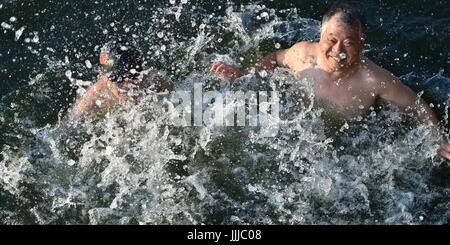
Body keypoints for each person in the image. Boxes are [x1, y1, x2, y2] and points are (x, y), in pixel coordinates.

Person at [210, 4, 450, 160]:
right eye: (332, 40)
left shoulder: (374, 79)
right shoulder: (302, 55)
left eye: (349, 42)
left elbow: (416, 106)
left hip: (341, 149)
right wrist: (243, 74)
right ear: (321, 36)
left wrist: (439, 141)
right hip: (291, 134)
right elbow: (274, 58)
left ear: (362, 43)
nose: (338, 50)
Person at [73, 41, 174, 117]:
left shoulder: (153, 79)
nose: (127, 85)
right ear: (103, 76)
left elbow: (183, 110)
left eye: (133, 75)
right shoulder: (90, 103)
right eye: (117, 78)